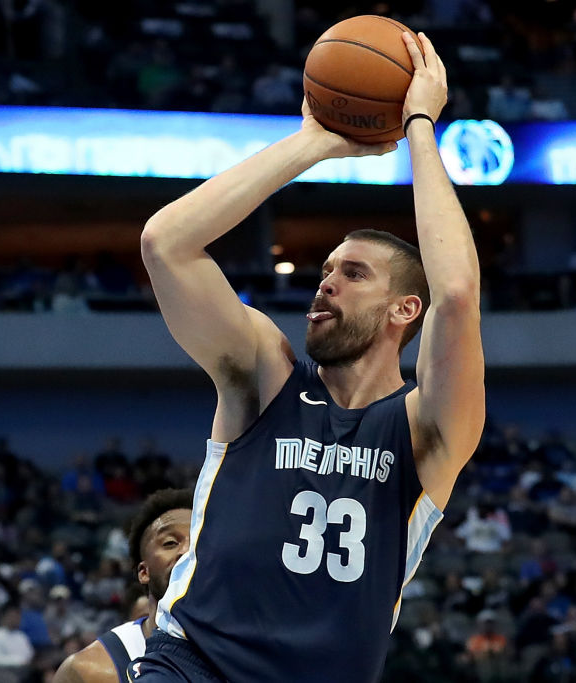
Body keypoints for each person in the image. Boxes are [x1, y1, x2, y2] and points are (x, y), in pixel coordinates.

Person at [131, 32, 484, 683]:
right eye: (325, 270)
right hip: (193, 666)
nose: (326, 283)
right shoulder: (267, 378)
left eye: (352, 274)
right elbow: (166, 244)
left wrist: (420, 127)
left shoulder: (423, 431)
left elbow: (457, 294)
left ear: (405, 310)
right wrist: (315, 142)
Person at [53, 488, 193, 683]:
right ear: (143, 572)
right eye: (170, 543)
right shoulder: (90, 671)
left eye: (199, 543)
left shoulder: (243, 655)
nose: (186, 551)